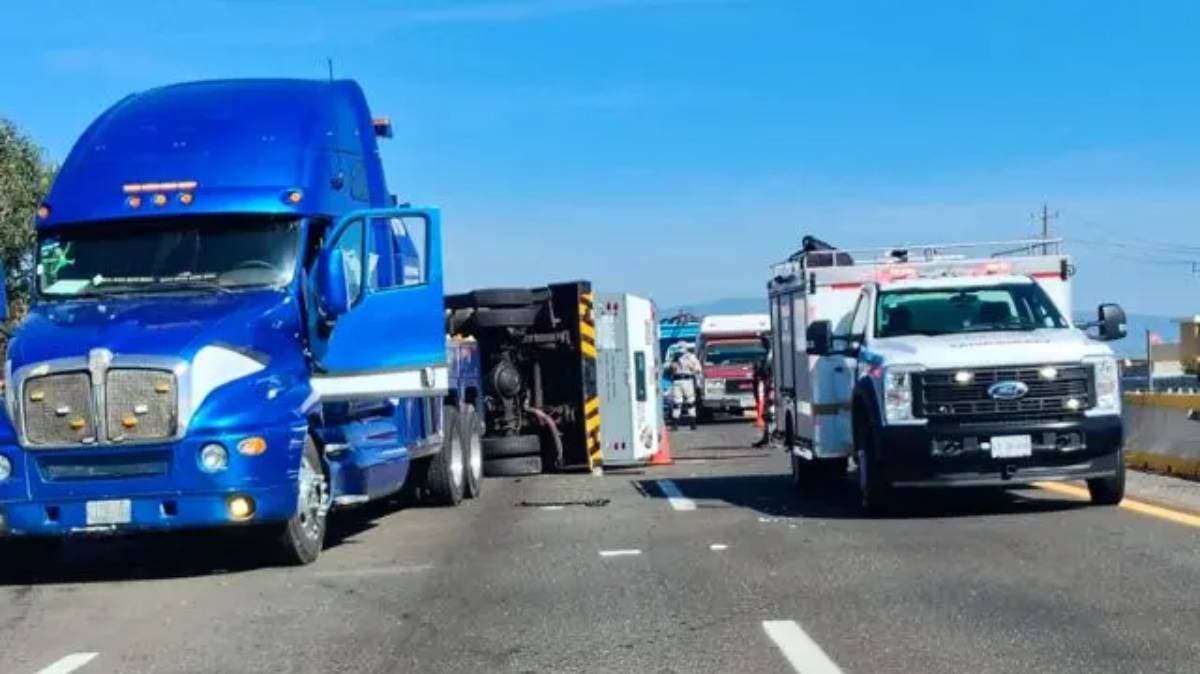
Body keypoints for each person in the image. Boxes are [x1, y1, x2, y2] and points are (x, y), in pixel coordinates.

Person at [666, 342, 702, 430]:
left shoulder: (691, 357)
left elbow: (698, 369)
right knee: (677, 403)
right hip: (677, 381)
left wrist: (692, 368)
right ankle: (675, 424)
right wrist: (672, 367)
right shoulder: (674, 357)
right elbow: (667, 368)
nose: (680, 351)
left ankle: (693, 423)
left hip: (687, 380)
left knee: (691, 402)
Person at [752, 335, 774, 447]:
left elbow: (766, 370)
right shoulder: (767, 356)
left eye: (764, 342)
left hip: (773, 386)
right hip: (768, 385)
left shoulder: (773, 355)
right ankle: (767, 436)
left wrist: (760, 369)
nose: (763, 344)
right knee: (767, 412)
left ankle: (771, 437)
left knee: (771, 412)